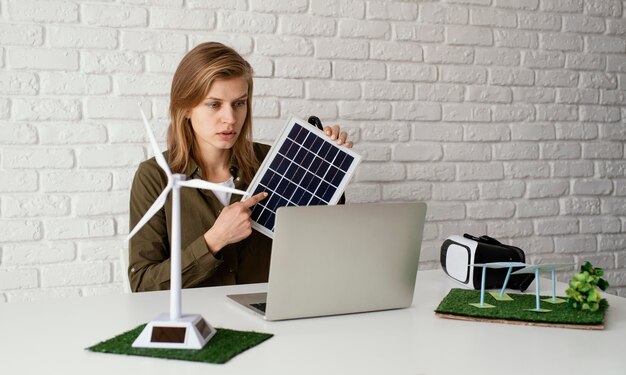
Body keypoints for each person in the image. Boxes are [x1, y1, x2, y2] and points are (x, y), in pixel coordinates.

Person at [128, 42, 353, 292]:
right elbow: (143, 285)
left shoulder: (274, 160)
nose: (231, 118)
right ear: (186, 108)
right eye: (214, 104)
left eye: (239, 103)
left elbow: (323, 240)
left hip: (273, 315)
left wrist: (330, 168)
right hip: (200, 321)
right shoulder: (155, 177)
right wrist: (214, 240)